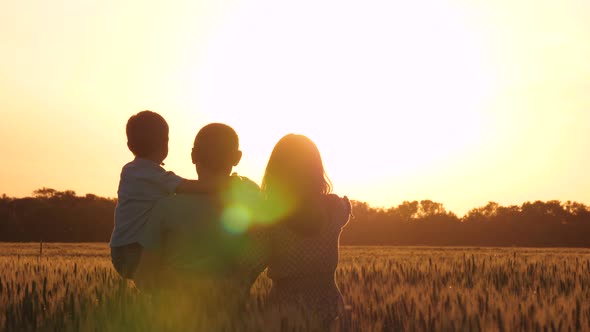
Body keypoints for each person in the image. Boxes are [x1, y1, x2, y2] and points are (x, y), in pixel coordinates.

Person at [134, 123, 263, 312]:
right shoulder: (251, 204)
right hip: (232, 317)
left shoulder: (166, 207)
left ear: (193, 155)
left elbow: (144, 279)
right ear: (237, 158)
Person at [110, 111, 221, 279]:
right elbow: (188, 187)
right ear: (165, 144)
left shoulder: (129, 170)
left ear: (129, 144)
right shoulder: (156, 176)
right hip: (137, 249)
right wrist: (225, 185)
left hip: (119, 249)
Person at [260, 134, 351, 328]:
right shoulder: (335, 208)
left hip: (282, 309)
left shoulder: (268, 214)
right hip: (327, 305)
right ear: (316, 169)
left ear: (275, 171)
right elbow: (345, 209)